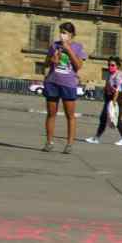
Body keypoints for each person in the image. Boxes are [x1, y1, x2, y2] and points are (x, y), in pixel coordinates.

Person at [42, 22, 87, 154]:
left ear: (71, 34)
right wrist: (52, 60)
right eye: (61, 32)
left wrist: (69, 50)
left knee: (70, 115)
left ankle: (69, 144)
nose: (62, 35)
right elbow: (46, 63)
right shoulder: (54, 45)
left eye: (65, 33)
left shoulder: (78, 47)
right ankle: (49, 142)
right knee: (51, 113)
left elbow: (78, 66)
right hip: (52, 82)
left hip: (68, 84)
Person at [84, 57, 122, 145]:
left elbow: (117, 90)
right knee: (104, 118)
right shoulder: (110, 74)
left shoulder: (118, 75)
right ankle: (96, 138)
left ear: (117, 66)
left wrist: (113, 102)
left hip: (115, 99)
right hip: (109, 99)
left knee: (116, 119)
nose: (110, 66)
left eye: (112, 65)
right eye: (109, 65)